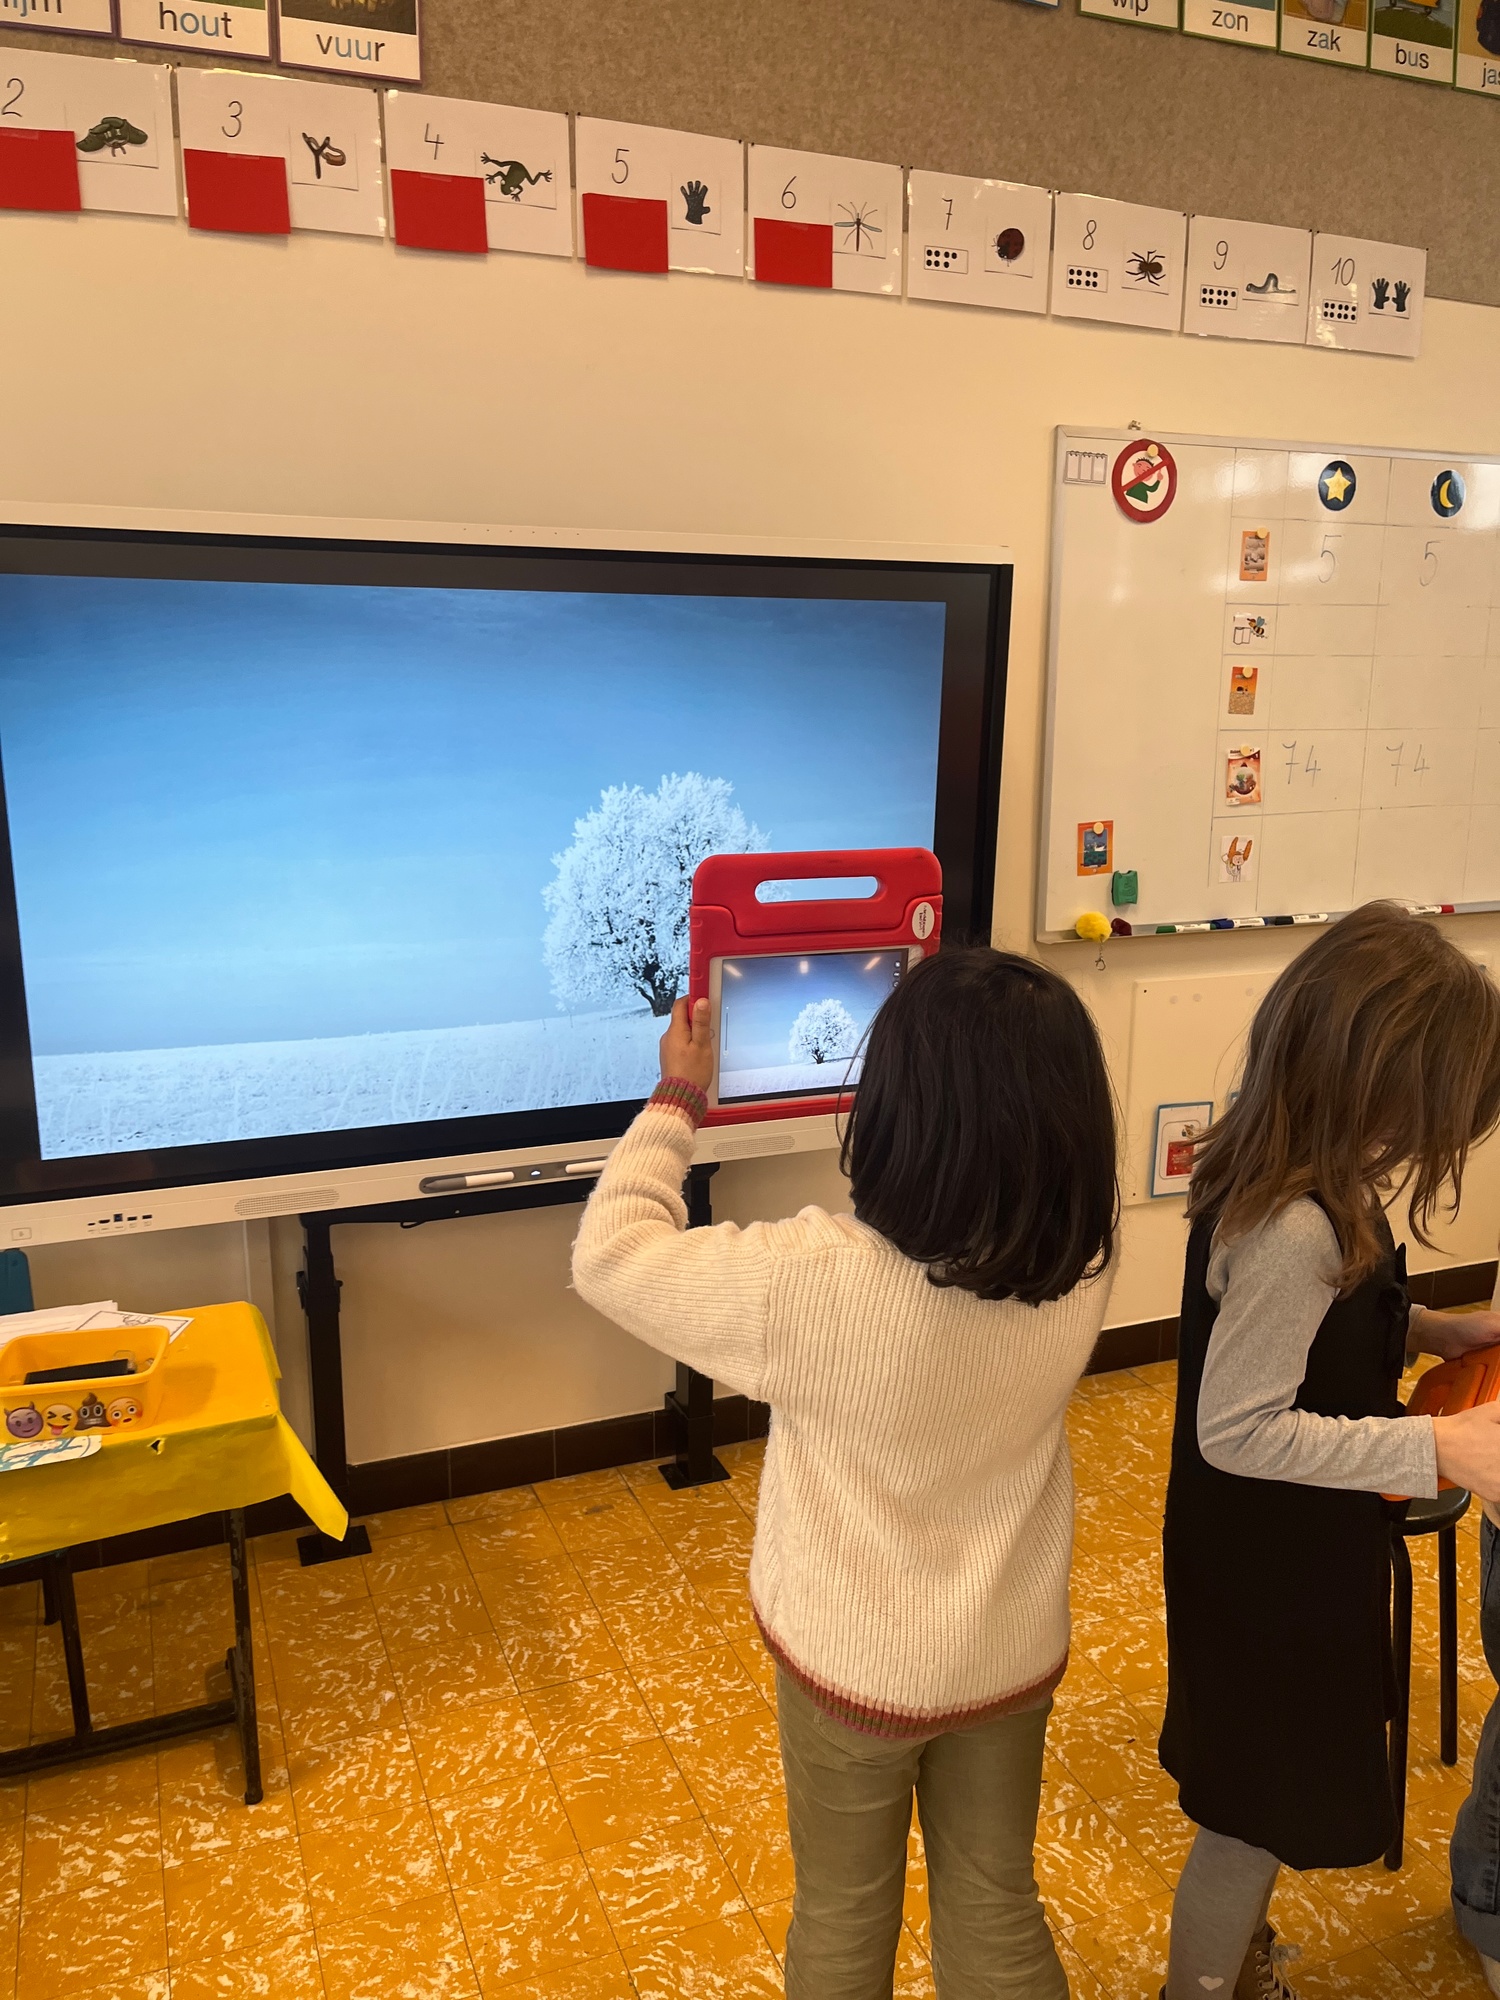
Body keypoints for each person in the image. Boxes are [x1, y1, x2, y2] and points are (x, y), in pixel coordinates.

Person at [572, 946, 1119, 2000]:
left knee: (841, 1909)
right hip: (1006, 1649)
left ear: (896, 1110)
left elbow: (611, 1251)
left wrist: (679, 1095)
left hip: (854, 1668)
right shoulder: (1082, 1260)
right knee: (997, 1902)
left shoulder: (811, 1280)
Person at [1159, 902, 1500, 2000]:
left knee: (1263, 1788)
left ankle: (1233, 1959)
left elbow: (1318, 1332)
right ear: (1373, 1084)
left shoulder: (1310, 1171)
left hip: (1290, 1543)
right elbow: (1239, 1427)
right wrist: (1435, 1442)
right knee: (1251, 1812)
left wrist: (1433, 1329)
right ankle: (1202, 1987)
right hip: (1268, 1561)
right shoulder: (1296, 1225)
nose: (1428, 1145)